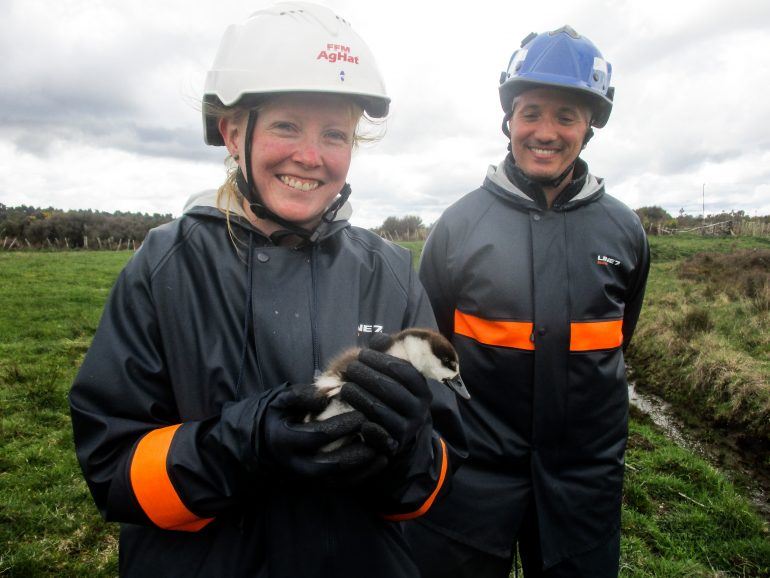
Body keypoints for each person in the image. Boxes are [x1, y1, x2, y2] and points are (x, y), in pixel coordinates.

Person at [69, 3, 465, 577]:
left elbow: (436, 482)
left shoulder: (392, 272)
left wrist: (407, 453)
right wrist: (237, 449)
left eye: (335, 133)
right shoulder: (166, 268)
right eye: (286, 125)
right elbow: (111, 469)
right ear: (233, 132)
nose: (311, 156)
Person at [407, 25, 650, 577]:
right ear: (509, 120)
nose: (546, 131)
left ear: (589, 128)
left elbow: (619, 338)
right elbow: (428, 355)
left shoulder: (624, 230)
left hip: (583, 485)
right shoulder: (458, 226)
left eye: (566, 115)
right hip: (469, 478)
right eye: (531, 111)